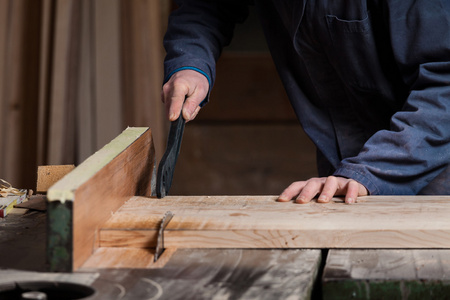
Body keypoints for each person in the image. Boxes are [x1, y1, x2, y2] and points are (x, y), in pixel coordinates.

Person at [161, 0, 450, 204]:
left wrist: (371, 172)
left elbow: (445, 87)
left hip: (432, 156)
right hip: (346, 170)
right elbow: (208, 6)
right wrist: (191, 61)